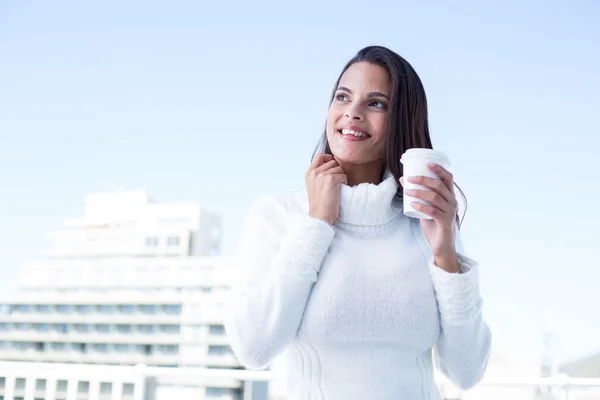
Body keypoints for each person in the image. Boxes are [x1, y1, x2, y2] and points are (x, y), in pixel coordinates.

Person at [224, 45, 492, 399]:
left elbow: (467, 371)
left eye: (376, 103)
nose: (352, 113)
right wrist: (316, 224)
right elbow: (253, 348)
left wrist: (445, 253)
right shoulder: (279, 216)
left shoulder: (428, 225)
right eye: (343, 97)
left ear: (402, 120)